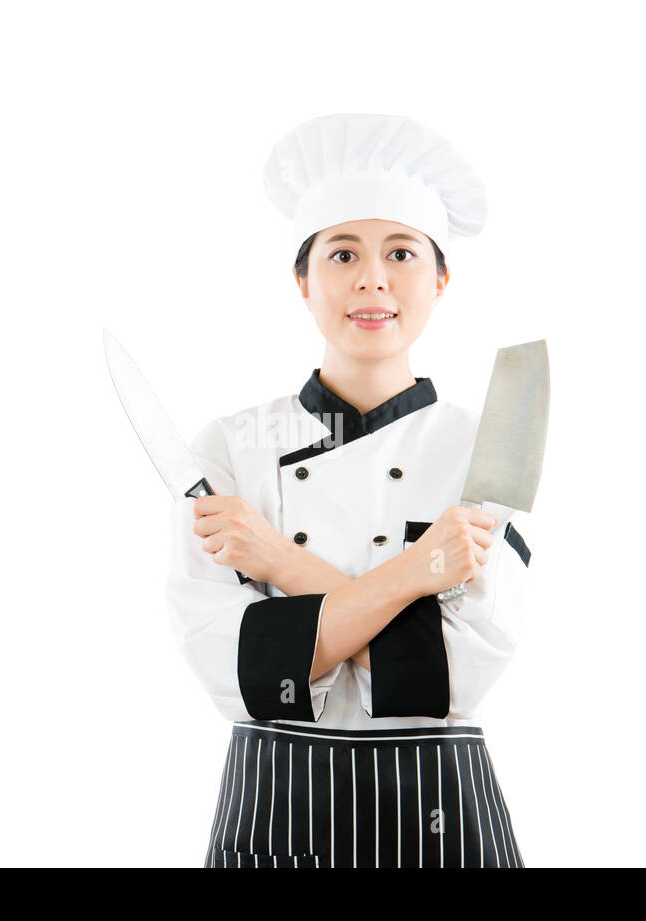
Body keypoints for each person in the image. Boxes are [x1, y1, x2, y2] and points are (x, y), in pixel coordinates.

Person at [164, 114, 537, 868]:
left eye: (401, 252)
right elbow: (236, 672)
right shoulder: (229, 448)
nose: (372, 279)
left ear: (440, 278)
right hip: (275, 810)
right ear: (302, 280)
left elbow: (453, 680)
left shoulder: (487, 445)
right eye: (343, 254)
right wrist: (420, 578)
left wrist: (280, 563)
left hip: (440, 814)